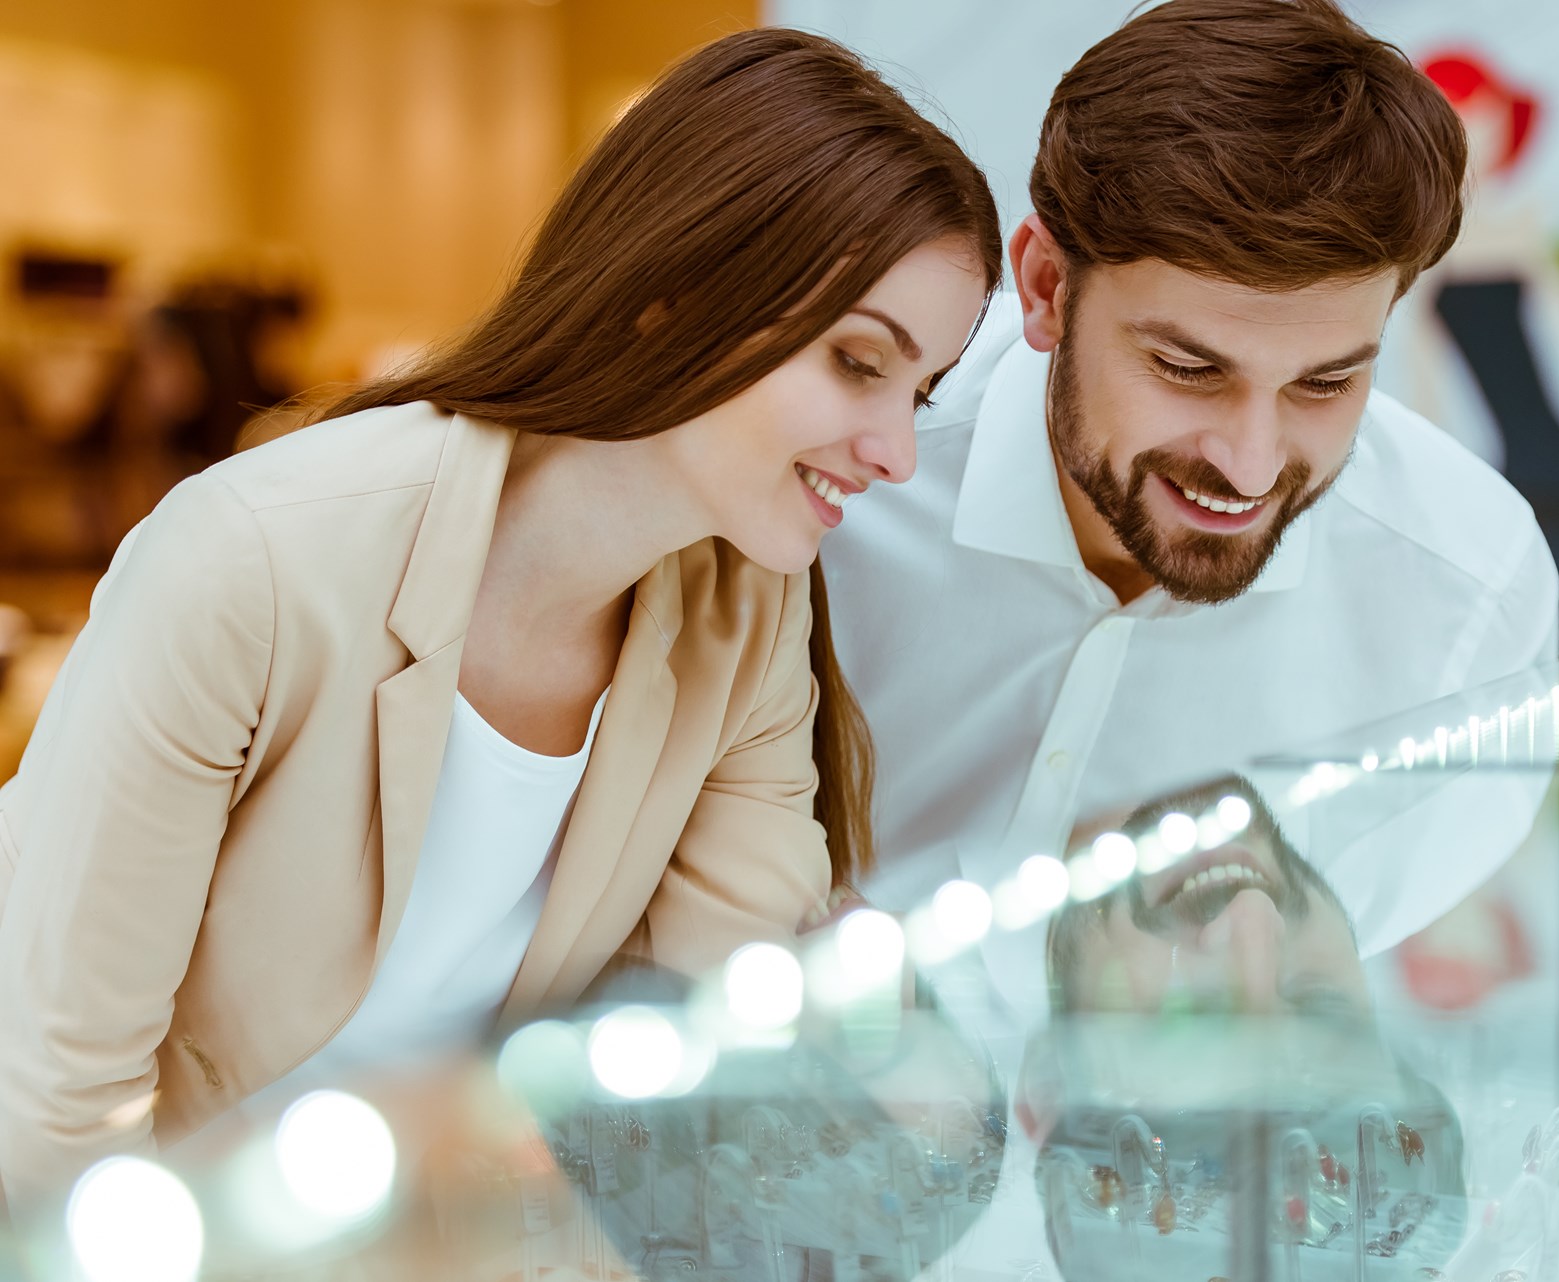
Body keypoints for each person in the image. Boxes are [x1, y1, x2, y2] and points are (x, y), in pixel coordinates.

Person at [0, 27, 1000, 1206]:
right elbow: (54, 1100)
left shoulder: (748, 609)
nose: (894, 453)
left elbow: (703, 1037)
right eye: (856, 363)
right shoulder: (254, 557)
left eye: (919, 392)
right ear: (671, 295)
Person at [821, 0, 1559, 928]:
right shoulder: (835, 473)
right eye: (1188, 369)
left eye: (1325, 384)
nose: (1249, 466)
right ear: (1047, 287)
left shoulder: (1468, 597)